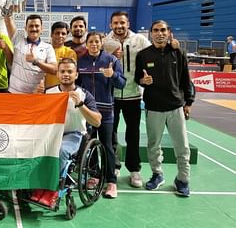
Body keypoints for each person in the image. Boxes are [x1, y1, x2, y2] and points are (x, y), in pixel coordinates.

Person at [31, 58, 102, 208]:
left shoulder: (84, 95)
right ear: (57, 74)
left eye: (70, 71)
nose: (66, 74)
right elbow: (35, 114)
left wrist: (81, 105)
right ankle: (37, 185)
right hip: (51, 133)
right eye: (62, 71)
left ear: (76, 75)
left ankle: (51, 189)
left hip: (73, 135)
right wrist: (36, 98)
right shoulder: (49, 92)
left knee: (61, 151)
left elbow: (97, 121)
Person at [135, 20, 194, 197]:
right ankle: (157, 174)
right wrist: (142, 81)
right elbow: (138, 77)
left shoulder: (178, 53)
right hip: (153, 107)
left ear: (169, 32)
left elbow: (186, 80)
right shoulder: (143, 55)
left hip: (175, 106)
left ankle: (183, 180)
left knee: (182, 146)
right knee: (153, 145)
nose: (159, 33)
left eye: (163, 30)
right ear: (151, 33)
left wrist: (188, 102)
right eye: (156, 30)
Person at [103, 11, 150, 187]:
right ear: (111, 25)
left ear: (128, 23)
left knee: (133, 134)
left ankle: (134, 169)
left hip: (133, 95)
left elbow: (152, 55)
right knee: (111, 134)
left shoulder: (140, 40)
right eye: (115, 23)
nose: (119, 26)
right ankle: (114, 165)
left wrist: (172, 45)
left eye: (122, 23)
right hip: (111, 96)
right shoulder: (105, 42)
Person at [77, 32, 126, 199]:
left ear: (101, 43)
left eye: (97, 42)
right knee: (89, 145)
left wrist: (112, 75)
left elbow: (122, 84)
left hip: (106, 112)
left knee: (107, 146)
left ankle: (111, 181)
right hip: (88, 112)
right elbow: (76, 85)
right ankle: (94, 176)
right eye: (90, 42)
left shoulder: (111, 61)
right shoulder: (81, 61)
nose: (94, 44)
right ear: (86, 43)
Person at [3, 13, 57, 93]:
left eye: (37, 26)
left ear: (42, 28)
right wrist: (7, 12)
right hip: (13, 93)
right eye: (31, 26)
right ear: (25, 28)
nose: (34, 28)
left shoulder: (48, 47)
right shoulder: (18, 39)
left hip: (34, 95)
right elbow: (8, 22)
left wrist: (36, 61)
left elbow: (54, 69)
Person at [45, 22, 77, 89]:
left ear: (66, 36)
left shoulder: (70, 53)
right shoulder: (43, 50)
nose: (60, 36)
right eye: (57, 33)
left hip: (61, 92)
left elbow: (71, 74)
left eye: (63, 34)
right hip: (44, 90)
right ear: (51, 34)